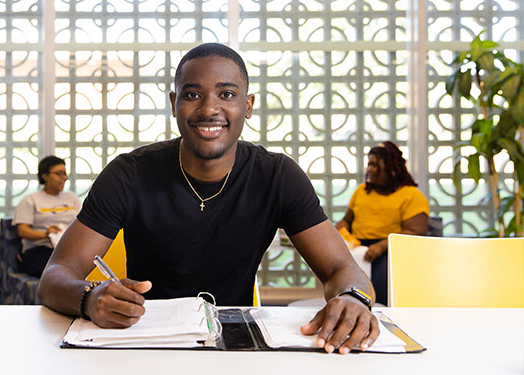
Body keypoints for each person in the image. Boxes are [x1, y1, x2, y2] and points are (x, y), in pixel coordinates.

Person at [38, 43, 380, 354]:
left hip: (236, 348)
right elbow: (55, 275)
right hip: (144, 343)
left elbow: (342, 269)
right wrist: (90, 297)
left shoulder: (277, 176)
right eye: (192, 95)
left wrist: (352, 298)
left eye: (227, 94)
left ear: (247, 106)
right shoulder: (129, 174)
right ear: (174, 104)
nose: (209, 109)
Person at [335, 141, 429, 305]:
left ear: (392, 167)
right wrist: (342, 230)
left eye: (374, 164)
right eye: (369, 164)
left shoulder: (412, 195)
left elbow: (416, 233)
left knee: (380, 282)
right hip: (358, 247)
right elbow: (346, 220)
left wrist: (381, 247)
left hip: (389, 250)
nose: (369, 169)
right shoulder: (362, 191)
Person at [12, 155, 81, 278]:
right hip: (40, 249)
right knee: (58, 271)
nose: (64, 178)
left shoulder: (72, 198)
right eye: (59, 174)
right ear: (45, 176)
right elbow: (22, 231)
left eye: (65, 174)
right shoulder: (30, 200)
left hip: (68, 249)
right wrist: (46, 233)